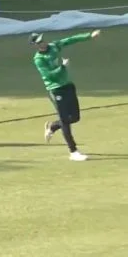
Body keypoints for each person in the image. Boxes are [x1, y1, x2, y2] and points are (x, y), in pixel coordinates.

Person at [32, 30, 99, 161]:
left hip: (68, 86)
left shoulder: (53, 46)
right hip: (56, 89)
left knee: (74, 117)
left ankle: (52, 127)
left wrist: (89, 36)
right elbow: (48, 75)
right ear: (34, 45)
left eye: (43, 40)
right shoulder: (38, 59)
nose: (43, 43)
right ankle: (73, 151)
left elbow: (70, 39)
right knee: (65, 121)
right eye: (39, 42)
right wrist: (62, 67)